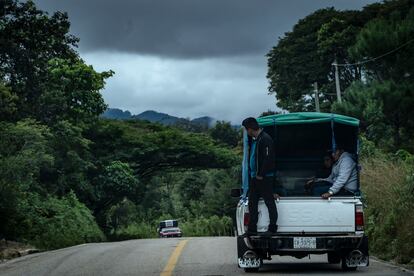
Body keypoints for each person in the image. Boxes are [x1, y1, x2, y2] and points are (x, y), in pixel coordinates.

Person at [242, 117, 278, 236]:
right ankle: (252, 229)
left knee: (269, 202)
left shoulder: (265, 139)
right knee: (252, 203)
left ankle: (272, 228)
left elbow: (268, 159)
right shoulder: (256, 139)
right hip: (255, 177)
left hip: (264, 177)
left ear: (251, 129)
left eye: (247, 129)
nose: (247, 132)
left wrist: (261, 174)